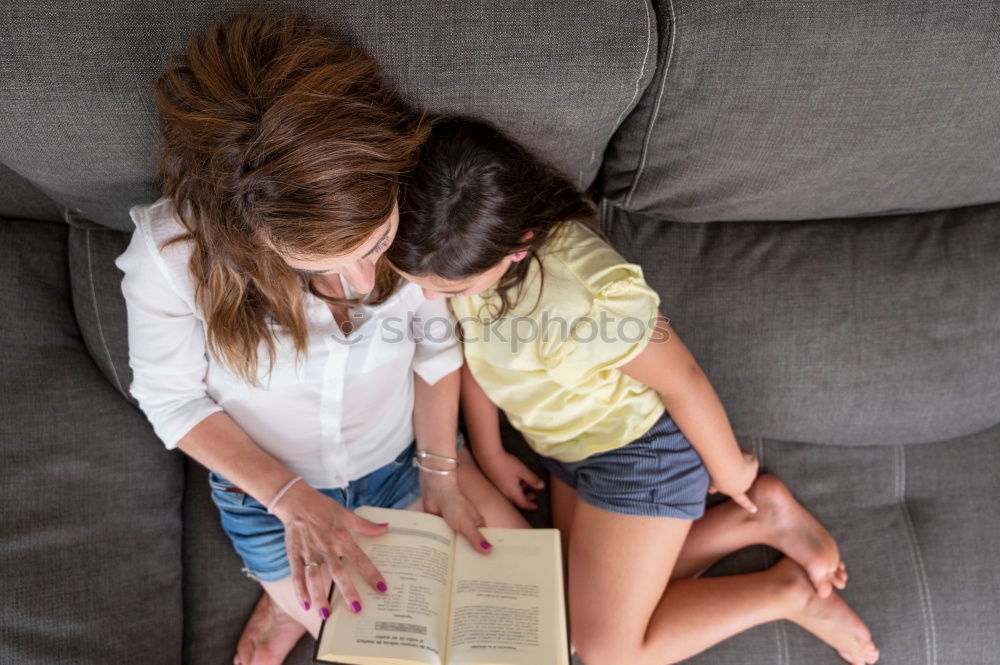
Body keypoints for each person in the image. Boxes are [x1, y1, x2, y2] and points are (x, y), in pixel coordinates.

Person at [387, 117, 881, 665]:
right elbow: (477, 359)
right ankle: (756, 520)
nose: (427, 297)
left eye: (445, 289)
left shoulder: (591, 298)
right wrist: (490, 451)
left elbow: (684, 380)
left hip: (639, 456)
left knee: (605, 652)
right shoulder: (451, 260)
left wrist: (732, 471)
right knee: (566, 619)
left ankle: (785, 593)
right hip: (572, 455)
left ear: (518, 248)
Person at [116, 15, 526, 665]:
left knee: (520, 609)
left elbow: (435, 349)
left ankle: (289, 600)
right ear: (247, 232)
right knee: (386, 650)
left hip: (402, 459)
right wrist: (294, 503)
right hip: (268, 495)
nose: (364, 284)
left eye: (376, 244)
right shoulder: (174, 254)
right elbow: (171, 401)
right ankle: (282, 599)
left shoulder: (411, 197)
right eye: (315, 265)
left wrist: (440, 467)